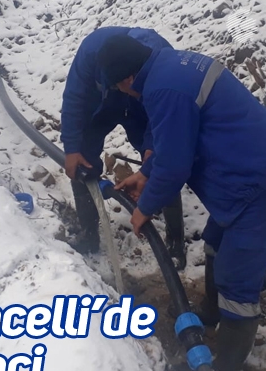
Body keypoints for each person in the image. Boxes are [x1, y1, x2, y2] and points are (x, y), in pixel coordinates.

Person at [96, 34, 266, 371]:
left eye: (119, 87)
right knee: (215, 241)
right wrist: (145, 173)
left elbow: (175, 165)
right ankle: (214, 311)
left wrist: (144, 208)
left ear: (127, 78)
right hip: (246, 169)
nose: (124, 94)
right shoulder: (168, 67)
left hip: (260, 180)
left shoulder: (162, 90)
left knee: (237, 276)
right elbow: (176, 140)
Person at [61, 26, 187, 268]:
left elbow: (163, 117)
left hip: (142, 106)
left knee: (161, 161)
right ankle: (89, 235)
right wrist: (72, 147)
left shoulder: (159, 58)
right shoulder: (90, 52)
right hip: (103, 105)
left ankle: (175, 242)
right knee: (82, 159)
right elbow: (75, 97)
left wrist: (151, 150)